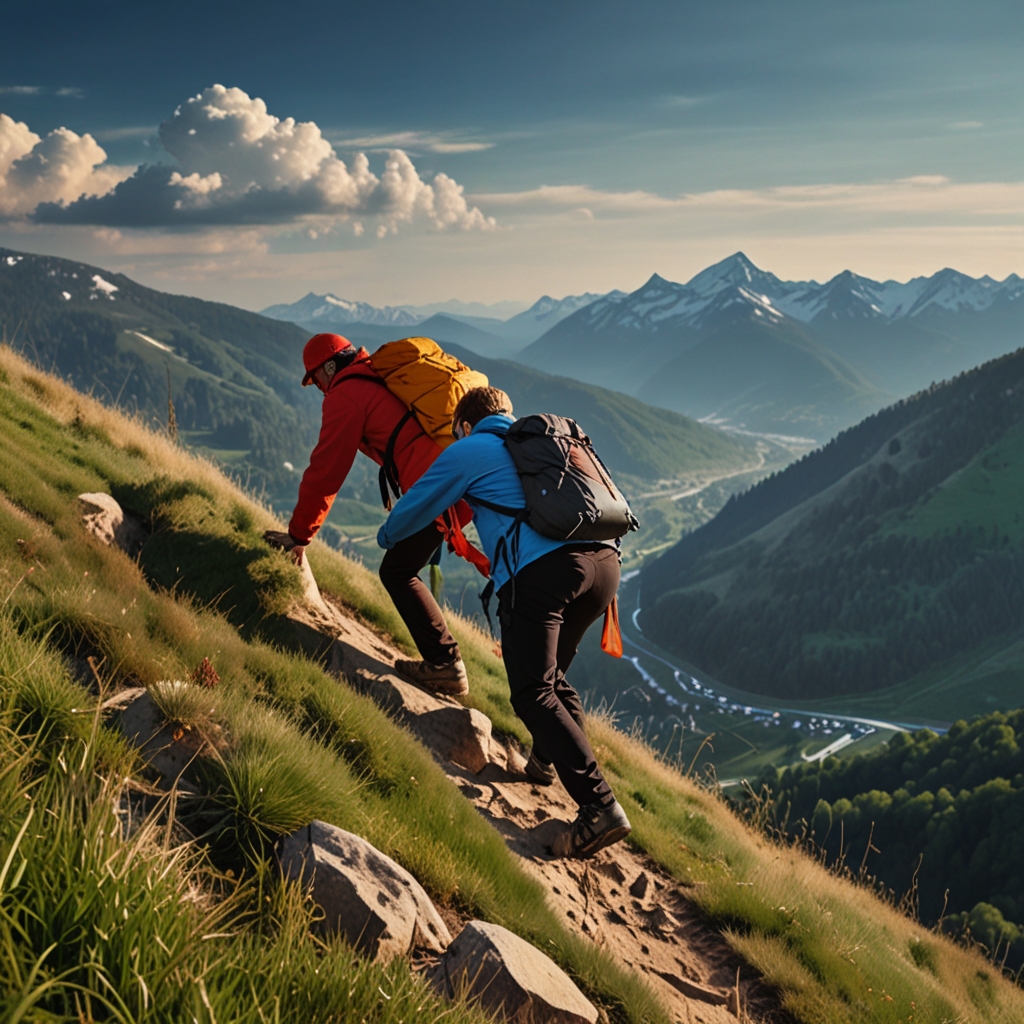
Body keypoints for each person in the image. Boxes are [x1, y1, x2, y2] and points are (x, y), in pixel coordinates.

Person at [376, 386, 632, 859]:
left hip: (547, 573)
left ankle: (599, 806)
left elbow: (421, 501)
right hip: (606, 568)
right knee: (551, 678)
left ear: (466, 425)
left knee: (532, 691)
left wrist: (387, 534)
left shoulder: (471, 447)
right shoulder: (552, 445)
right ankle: (544, 763)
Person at [264, 332, 469, 695]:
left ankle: (445, 664)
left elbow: (325, 470)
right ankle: (446, 662)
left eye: (317, 379)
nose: (319, 389)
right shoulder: (377, 374)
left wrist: (298, 536)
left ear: (329, 367)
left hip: (438, 486)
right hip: (457, 474)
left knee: (397, 570)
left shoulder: (346, 394)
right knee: (403, 567)